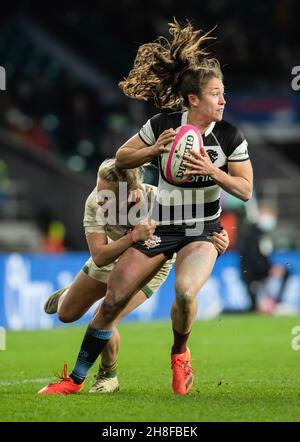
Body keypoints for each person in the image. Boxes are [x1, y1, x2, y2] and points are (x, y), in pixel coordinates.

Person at [39, 18, 251, 397]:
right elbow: (121, 156)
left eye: (223, 93)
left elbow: (246, 189)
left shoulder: (230, 136)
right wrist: (154, 150)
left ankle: (179, 354)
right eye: (216, 94)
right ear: (193, 100)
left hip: (202, 231)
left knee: (186, 293)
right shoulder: (164, 124)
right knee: (112, 303)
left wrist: (210, 171)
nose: (223, 100)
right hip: (162, 227)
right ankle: (74, 381)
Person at [39, 158, 229, 394]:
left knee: (105, 315)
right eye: (99, 190)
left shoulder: (160, 202)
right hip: (111, 254)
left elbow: (197, 231)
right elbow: (99, 256)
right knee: (66, 314)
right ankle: (70, 293)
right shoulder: (94, 204)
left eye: (107, 195)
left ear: (131, 194)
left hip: (150, 266)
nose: (99, 198)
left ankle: (108, 376)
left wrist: (217, 239)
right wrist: (133, 236)